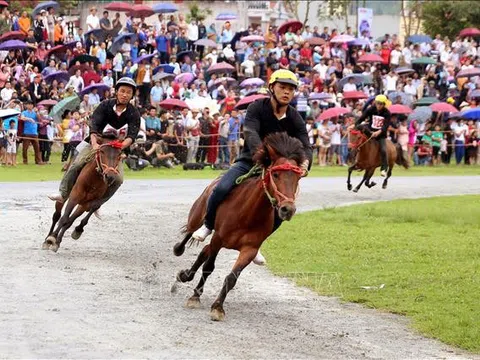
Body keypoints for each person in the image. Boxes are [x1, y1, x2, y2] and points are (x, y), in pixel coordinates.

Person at [191, 69, 312, 265]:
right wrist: (263, 156)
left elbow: (306, 144)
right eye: (282, 87)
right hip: (249, 161)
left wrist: (306, 163)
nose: (287, 92)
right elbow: (251, 134)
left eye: (291, 89)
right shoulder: (257, 108)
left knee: (284, 207)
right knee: (221, 187)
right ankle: (207, 224)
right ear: (272, 88)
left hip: (278, 170)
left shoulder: (295, 117)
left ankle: (255, 243)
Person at [49, 77, 140, 204]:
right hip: (96, 143)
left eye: (128, 92)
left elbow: (132, 135)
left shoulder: (134, 113)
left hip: (115, 149)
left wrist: (121, 146)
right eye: (122, 91)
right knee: (76, 164)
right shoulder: (104, 105)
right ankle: (63, 193)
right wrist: (95, 143)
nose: (125, 95)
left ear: (132, 95)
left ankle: (98, 202)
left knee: (118, 180)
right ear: (117, 91)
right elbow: (94, 126)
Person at [351, 94, 391, 177]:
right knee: (359, 141)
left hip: (380, 135)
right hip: (370, 131)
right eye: (377, 103)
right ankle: (356, 162)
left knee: (383, 149)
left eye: (380, 104)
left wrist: (378, 132)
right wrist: (354, 125)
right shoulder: (371, 109)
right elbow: (362, 118)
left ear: (384, 104)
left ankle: (384, 167)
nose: (378, 105)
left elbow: (385, 126)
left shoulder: (387, 113)